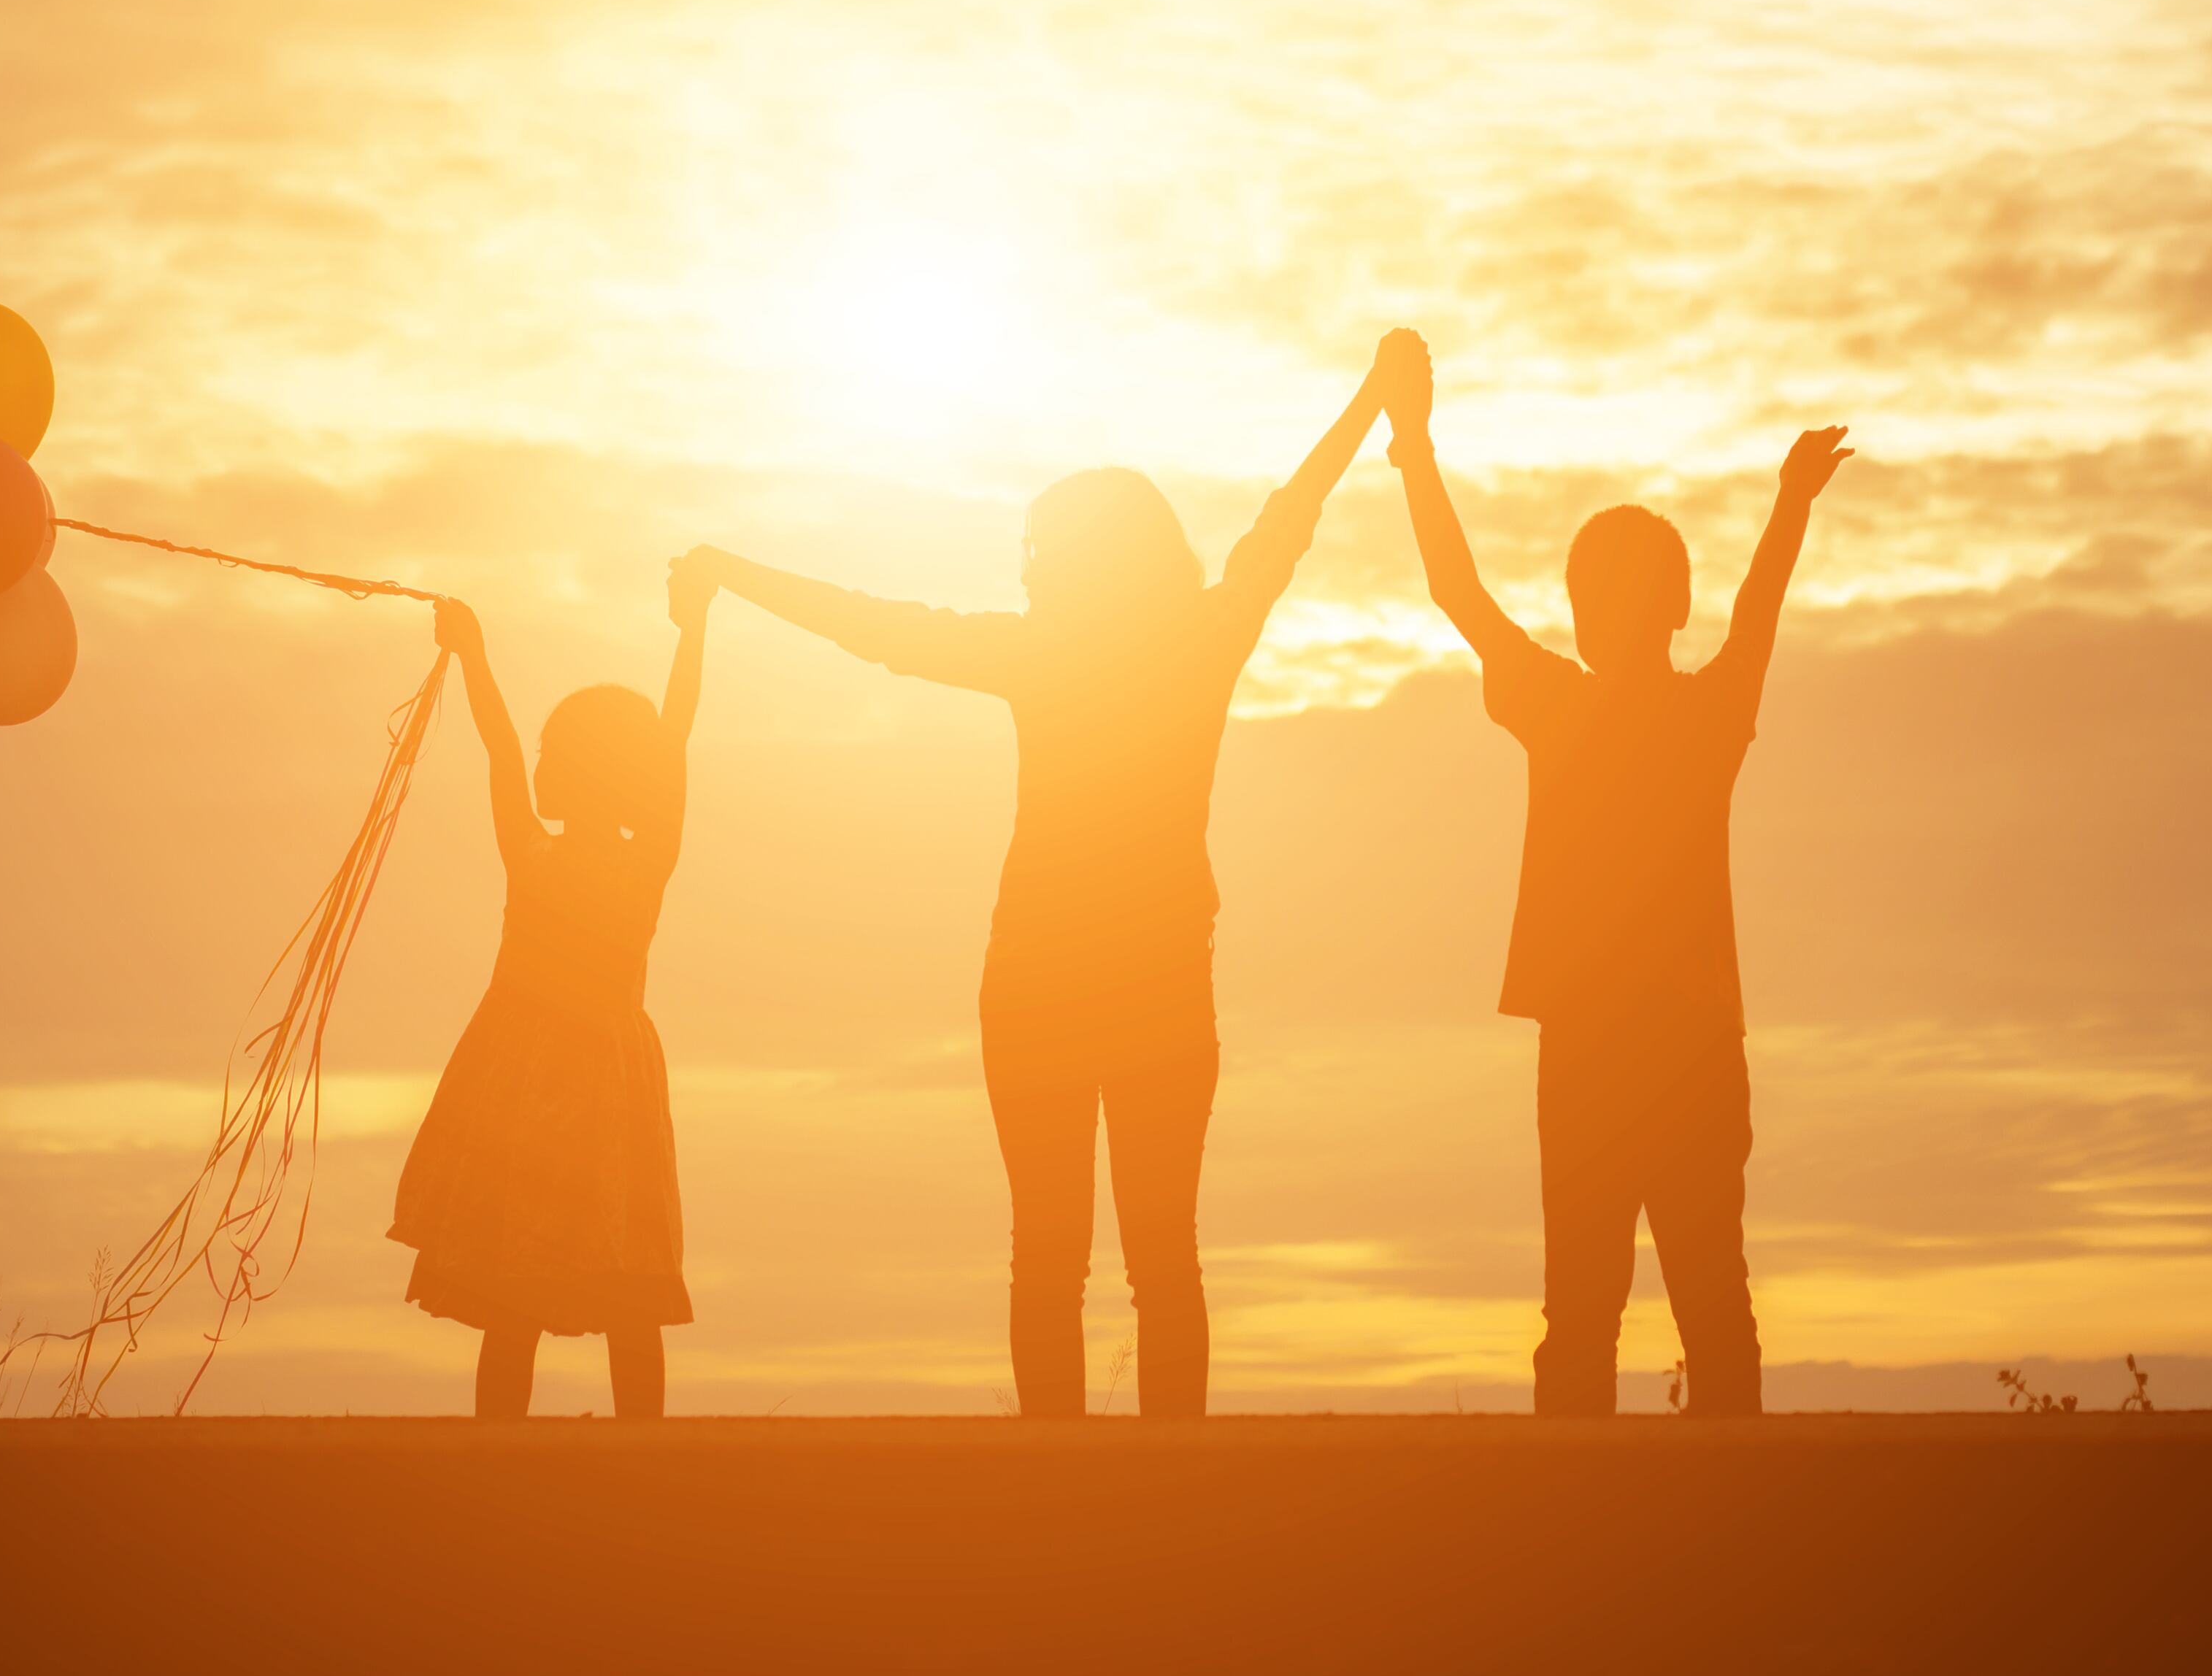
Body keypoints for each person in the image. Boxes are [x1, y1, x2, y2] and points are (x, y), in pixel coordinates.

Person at [671, 342, 1406, 1416]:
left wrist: (737, 572)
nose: (1028, 569)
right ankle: (1166, 1484)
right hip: (1148, 979)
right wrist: (1372, 398)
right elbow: (1286, 522)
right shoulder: (1197, 637)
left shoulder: (1044, 652)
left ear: (1066, 561)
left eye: (1040, 551)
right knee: (1164, 1259)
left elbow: (878, 628)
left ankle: (1057, 1478)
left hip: (1043, 981)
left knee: (1051, 1258)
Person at [1384, 328, 1851, 1416]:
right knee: (1707, 1304)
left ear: (1587, 617)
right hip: (1682, 1047)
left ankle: (1572, 1527)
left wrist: (1415, 445)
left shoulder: (1563, 706)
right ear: (1671, 609)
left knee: (1586, 1313)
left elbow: (1458, 591)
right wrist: (1790, 504)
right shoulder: (1704, 713)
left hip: (1599, 1048)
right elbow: (1759, 613)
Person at [388, 568, 714, 1418]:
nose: (533, 761)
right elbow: (668, 743)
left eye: (551, 753)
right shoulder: (644, 861)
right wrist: (692, 628)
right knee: (622, 1287)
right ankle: (639, 1459)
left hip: (535, 1078)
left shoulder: (535, 855)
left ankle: (505, 1457)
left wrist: (474, 653)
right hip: (597, 1080)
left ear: (584, 771)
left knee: (518, 1298)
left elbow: (508, 744)